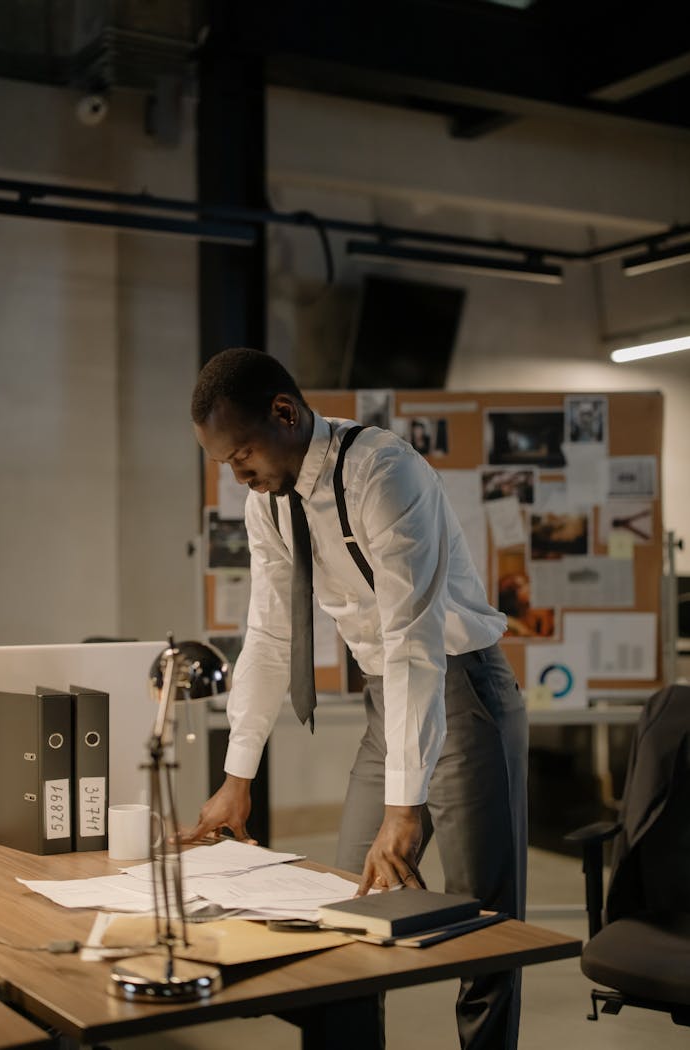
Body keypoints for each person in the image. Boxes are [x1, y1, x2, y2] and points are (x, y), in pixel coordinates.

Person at [186, 347, 528, 1050]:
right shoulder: (268, 505)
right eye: (225, 463)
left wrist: (406, 808)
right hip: (389, 702)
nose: (238, 473)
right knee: (346, 909)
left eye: (241, 452)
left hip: (464, 689)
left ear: (285, 413)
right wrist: (235, 778)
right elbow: (270, 635)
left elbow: (414, 641)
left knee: (485, 928)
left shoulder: (383, 471)